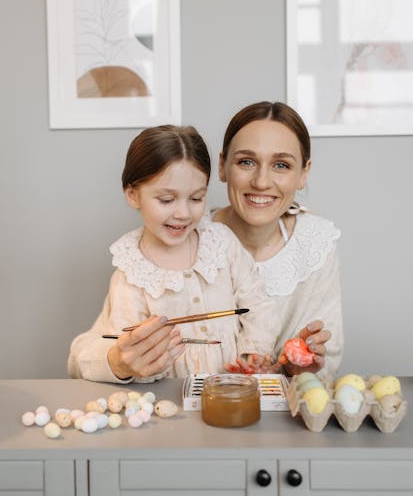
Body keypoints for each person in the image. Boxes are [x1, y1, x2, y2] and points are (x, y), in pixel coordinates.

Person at [67, 125, 280, 382]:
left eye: (196, 198)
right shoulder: (132, 272)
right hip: (169, 402)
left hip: (232, 392)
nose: (183, 213)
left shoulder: (221, 242)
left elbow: (259, 305)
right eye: (167, 200)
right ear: (133, 195)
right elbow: (126, 351)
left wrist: (253, 354)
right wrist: (136, 362)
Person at [211, 101, 343, 377]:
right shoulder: (187, 236)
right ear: (222, 166)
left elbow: (327, 361)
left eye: (281, 165)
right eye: (246, 162)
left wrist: (300, 367)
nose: (261, 181)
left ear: (303, 174)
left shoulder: (315, 243)